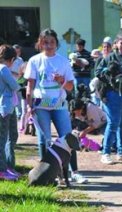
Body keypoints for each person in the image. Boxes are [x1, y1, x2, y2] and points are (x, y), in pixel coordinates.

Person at [24, 28, 88, 184]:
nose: (49, 45)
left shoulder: (63, 61)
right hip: (40, 106)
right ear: (40, 43)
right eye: (45, 42)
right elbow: (30, 86)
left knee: (67, 138)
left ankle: (75, 172)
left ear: (56, 44)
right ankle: (46, 173)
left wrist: (61, 81)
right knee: (44, 140)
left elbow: (70, 87)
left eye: (52, 42)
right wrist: (28, 105)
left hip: (59, 105)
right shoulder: (34, 60)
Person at [95, 32, 122, 164]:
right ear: (116, 44)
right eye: (121, 42)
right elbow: (98, 72)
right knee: (113, 123)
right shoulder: (110, 57)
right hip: (113, 95)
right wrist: (108, 73)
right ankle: (106, 152)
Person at [0, 45, 20, 181]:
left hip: (6, 107)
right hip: (4, 107)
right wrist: (20, 81)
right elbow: (14, 85)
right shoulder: (4, 69)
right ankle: (2, 170)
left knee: (7, 137)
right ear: (12, 59)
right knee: (2, 139)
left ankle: (6, 167)